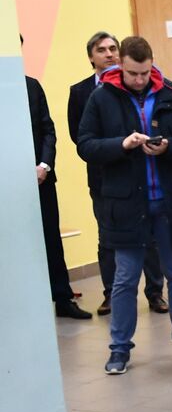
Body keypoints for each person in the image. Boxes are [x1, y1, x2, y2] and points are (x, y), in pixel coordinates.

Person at [77, 35, 172, 376]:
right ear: (121, 65)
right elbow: (86, 145)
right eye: (133, 73)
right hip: (126, 203)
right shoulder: (101, 97)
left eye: (145, 73)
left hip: (169, 200)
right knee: (125, 279)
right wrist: (122, 143)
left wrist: (168, 148)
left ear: (152, 65)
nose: (139, 80)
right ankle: (119, 349)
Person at [68, 30, 165, 316]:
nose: (108, 54)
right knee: (108, 238)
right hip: (105, 176)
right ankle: (110, 294)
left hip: (143, 173)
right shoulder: (81, 91)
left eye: (113, 48)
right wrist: (116, 147)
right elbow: (80, 136)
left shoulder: (138, 88)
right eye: (101, 49)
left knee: (151, 237)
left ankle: (155, 292)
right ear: (91, 57)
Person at [26, 64, 90, 320]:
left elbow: (48, 130)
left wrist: (44, 165)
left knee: (51, 238)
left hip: (40, 178)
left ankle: (63, 299)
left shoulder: (31, 86)